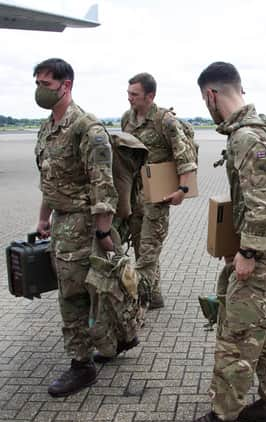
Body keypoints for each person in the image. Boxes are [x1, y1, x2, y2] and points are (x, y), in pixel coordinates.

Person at [181, 62, 266, 422]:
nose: (206, 106)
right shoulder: (258, 128)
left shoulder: (247, 136)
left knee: (238, 333)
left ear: (212, 94)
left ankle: (222, 415)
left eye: (204, 99)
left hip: (262, 252)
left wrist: (247, 252)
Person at [33, 58, 119, 397]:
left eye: (47, 84)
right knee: (81, 292)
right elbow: (48, 181)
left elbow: (104, 186)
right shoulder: (47, 127)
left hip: (83, 225)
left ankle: (81, 366)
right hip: (61, 222)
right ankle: (115, 340)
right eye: (38, 83)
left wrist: (103, 232)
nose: (40, 90)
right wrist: (43, 218)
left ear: (66, 86)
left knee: (75, 297)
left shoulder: (87, 128)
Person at [121, 72, 197, 309]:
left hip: (158, 196)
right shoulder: (127, 118)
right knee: (139, 247)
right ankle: (154, 296)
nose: (129, 98)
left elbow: (184, 156)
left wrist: (183, 189)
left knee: (148, 251)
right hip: (134, 196)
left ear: (150, 96)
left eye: (134, 94)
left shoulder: (166, 121)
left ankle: (138, 307)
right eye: (128, 94)